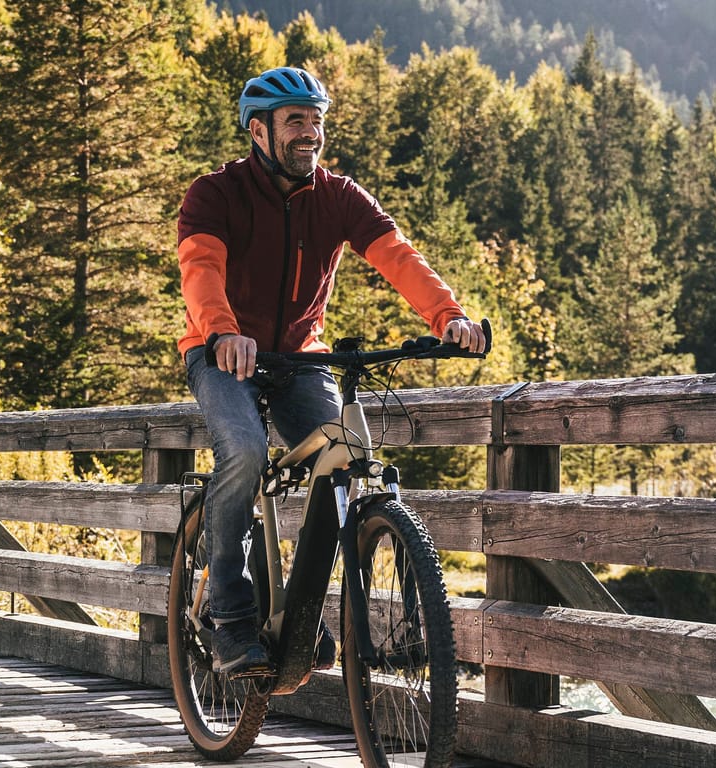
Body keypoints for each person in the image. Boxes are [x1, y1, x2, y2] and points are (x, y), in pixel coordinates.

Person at [177, 67, 490, 677]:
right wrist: (221, 330)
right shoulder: (214, 194)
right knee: (242, 452)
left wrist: (446, 316)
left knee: (342, 461)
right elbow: (201, 270)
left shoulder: (339, 196)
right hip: (220, 351)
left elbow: (398, 255)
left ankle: (299, 613)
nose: (309, 134)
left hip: (300, 357)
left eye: (316, 121)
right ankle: (230, 614)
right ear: (258, 131)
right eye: (295, 122)